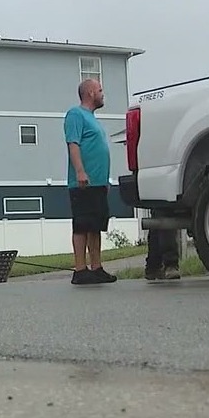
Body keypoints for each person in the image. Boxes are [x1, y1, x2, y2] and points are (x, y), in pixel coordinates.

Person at [64, 78, 117, 285]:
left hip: (98, 183)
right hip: (83, 182)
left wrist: (105, 180)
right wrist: (80, 171)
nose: (103, 94)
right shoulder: (75, 115)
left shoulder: (93, 118)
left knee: (95, 225)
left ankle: (96, 267)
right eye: (100, 90)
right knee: (82, 224)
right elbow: (73, 144)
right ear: (90, 93)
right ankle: (80, 269)